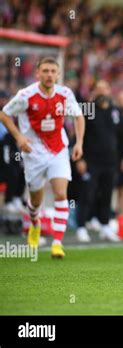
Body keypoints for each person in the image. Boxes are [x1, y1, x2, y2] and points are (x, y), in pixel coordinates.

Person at [0, 57, 85, 258]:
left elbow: (79, 116)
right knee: (36, 200)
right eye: (45, 71)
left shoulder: (65, 94)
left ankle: (57, 243)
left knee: (61, 194)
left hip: (58, 150)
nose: (49, 75)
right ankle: (35, 222)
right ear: (37, 73)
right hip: (33, 153)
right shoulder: (25, 95)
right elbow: (4, 114)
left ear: (58, 74)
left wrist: (79, 143)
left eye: (52, 71)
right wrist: (19, 136)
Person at [75, 80, 123, 242]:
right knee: (87, 194)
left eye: (104, 89)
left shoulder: (116, 112)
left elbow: (122, 138)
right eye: (98, 89)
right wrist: (81, 159)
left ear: (109, 91)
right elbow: (78, 135)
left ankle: (105, 226)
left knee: (107, 195)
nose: (101, 92)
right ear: (94, 92)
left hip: (111, 162)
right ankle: (81, 227)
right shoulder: (87, 110)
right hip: (91, 161)